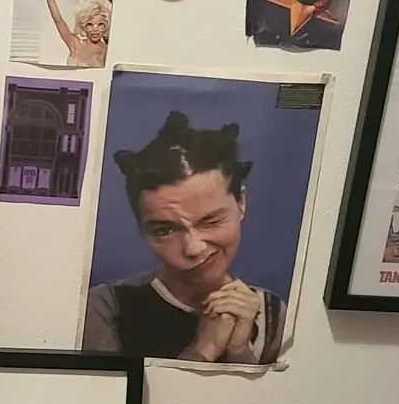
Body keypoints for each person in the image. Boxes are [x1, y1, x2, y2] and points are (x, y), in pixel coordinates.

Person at [82, 113, 286, 363]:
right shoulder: (106, 307)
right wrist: (203, 349)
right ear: (141, 228)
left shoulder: (271, 313)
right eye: (165, 230)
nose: (193, 248)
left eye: (211, 221)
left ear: (241, 203)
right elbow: (106, 391)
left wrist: (239, 353)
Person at [39, 0, 112, 67]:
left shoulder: (107, 53)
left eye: (100, 24)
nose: (95, 29)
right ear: (83, 26)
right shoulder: (75, 44)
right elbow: (58, 19)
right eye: (90, 24)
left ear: (106, 26)